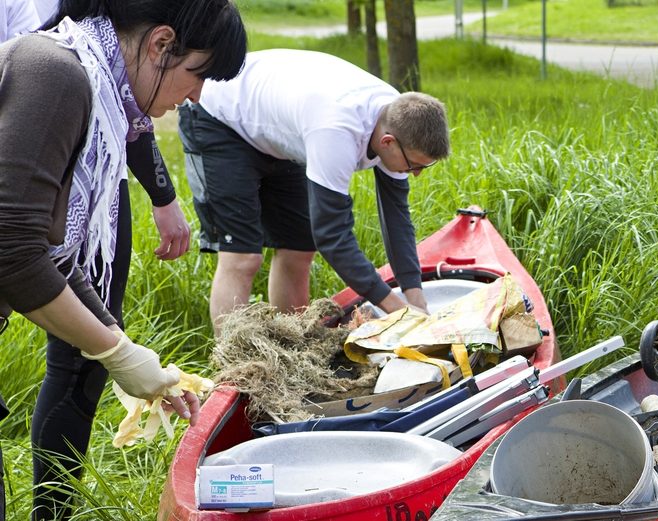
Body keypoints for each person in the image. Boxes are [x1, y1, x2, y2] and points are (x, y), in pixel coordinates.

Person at [0, 0, 246, 518]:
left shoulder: (90, 90)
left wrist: (125, 347)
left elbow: (54, 253)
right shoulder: (55, 73)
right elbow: (13, 249)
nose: (195, 96)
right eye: (196, 75)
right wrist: (114, 352)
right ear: (160, 44)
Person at [178, 49, 450, 334]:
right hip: (218, 113)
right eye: (414, 165)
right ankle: (234, 365)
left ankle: (293, 348)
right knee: (243, 256)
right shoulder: (337, 131)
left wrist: (416, 298)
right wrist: (398, 310)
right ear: (387, 142)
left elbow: (397, 220)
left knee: (299, 246)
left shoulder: (400, 118)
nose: (416, 173)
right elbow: (332, 236)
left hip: (280, 123)